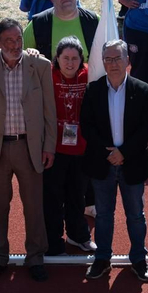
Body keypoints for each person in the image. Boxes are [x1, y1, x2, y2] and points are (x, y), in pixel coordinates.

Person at [0, 19, 55, 281]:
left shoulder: (39, 65)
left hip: (29, 146)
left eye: (18, 39)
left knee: (34, 205)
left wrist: (49, 145)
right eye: (8, 40)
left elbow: (49, 111)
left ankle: (36, 257)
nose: (15, 45)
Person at [79, 39, 148, 281]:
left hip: (132, 163)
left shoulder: (143, 91)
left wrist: (124, 152)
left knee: (135, 215)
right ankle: (102, 258)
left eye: (117, 58)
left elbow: (147, 128)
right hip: (103, 164)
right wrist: (108, 152)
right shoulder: (93, 90)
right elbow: (87, 127)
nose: (113, 63)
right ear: (103, 62)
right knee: (103, 214)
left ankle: (139, 260)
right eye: (108, 59)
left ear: (127, 62)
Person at [44, 37, 93, 255]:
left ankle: (78, 235)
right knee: (53, 197)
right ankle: (53, 241)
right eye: (65, 58)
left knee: (77, 195)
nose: (70, 63)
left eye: (75, 58)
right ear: (57, 58)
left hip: (81, 149)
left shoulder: (89, 74)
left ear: (82, 59)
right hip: (54, 149)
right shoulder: (47, 74)